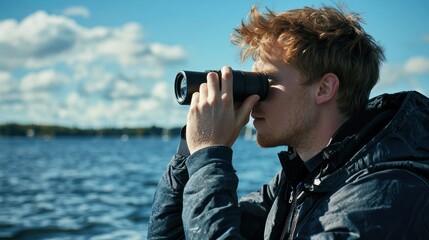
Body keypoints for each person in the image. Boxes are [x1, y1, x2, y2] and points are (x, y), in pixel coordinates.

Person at [148, 4, 429, 239]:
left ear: (323, 89)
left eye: (266, 82)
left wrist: (210, 158)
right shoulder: (302, 181)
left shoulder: (384, 194)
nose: (255, 98)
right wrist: (190, 154)